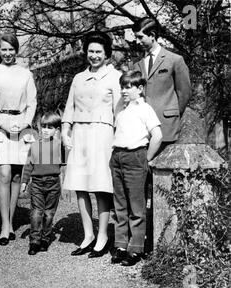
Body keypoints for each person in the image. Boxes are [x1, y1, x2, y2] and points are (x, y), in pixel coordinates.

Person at [61, 31, 122, 258]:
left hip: (102, 134)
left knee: (100, 186)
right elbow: (69, 108)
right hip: (80, 134)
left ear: (106, 54)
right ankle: (88, 235)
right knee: (80, 184)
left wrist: (119, 138)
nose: (94, 56)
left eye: (99, 52)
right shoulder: (78, 78)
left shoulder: (114, 77)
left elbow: (119, 111)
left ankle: (103, 235)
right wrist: (65, 130)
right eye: (91, 51)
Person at [110, 70, 162, 266]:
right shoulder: (121, 109)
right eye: (122, 86)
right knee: (120, 204)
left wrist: (146, 159)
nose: (123, 90)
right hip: (117, 157)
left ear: (140, 89)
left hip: (136, 157)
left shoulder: (145, 108)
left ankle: (136, 248)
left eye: (128, 86)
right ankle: (121, 245)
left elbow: (157, 136)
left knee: (136, 206)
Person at [0, 33, 37, 246]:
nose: (7, 53)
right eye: (4, 49)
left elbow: (32, 102)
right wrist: (2, 122)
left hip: (22, 125)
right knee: (4, 172)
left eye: (11, 49)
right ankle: (4, 225)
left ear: (16, 50)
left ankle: (9, 222)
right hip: (2, 124)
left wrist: (25, 122)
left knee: (17, 176)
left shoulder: (26, 74)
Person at [132, 17, 191, 150]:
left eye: (140, 37)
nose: (137, 41)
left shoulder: (175, 60)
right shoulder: (136, 65)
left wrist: (172, 115)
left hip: (167, 128)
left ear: (152, 35)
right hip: (142, 130)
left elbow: (184, 93)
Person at [20, 112, 63, 255]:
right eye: (43, 127)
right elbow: (28, 165)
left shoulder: (59, 145)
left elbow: (65, 161)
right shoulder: (35, 146)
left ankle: (45, 238)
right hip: (37, 183)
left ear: (56, 130)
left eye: (50, 127)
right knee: (36, 213)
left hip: (53, 183)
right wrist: (24, 182)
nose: (45, 130)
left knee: (49, 213)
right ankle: (34, 241)